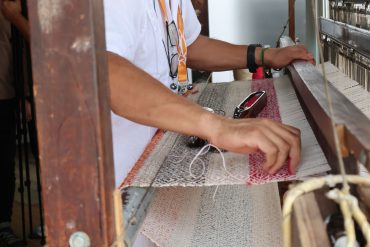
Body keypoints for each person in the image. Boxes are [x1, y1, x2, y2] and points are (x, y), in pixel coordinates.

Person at [104, 0, 314, 187]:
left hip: (154, 164)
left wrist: (264, 55)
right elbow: (103, 71)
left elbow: (188, 46)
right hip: (116, 189)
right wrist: (218, 127)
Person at [0, 0, 28, 246]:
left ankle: (3, 225)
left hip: (4, 94)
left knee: (4, 162)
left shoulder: (9, 4)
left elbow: (21, 49)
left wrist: (24, 94)